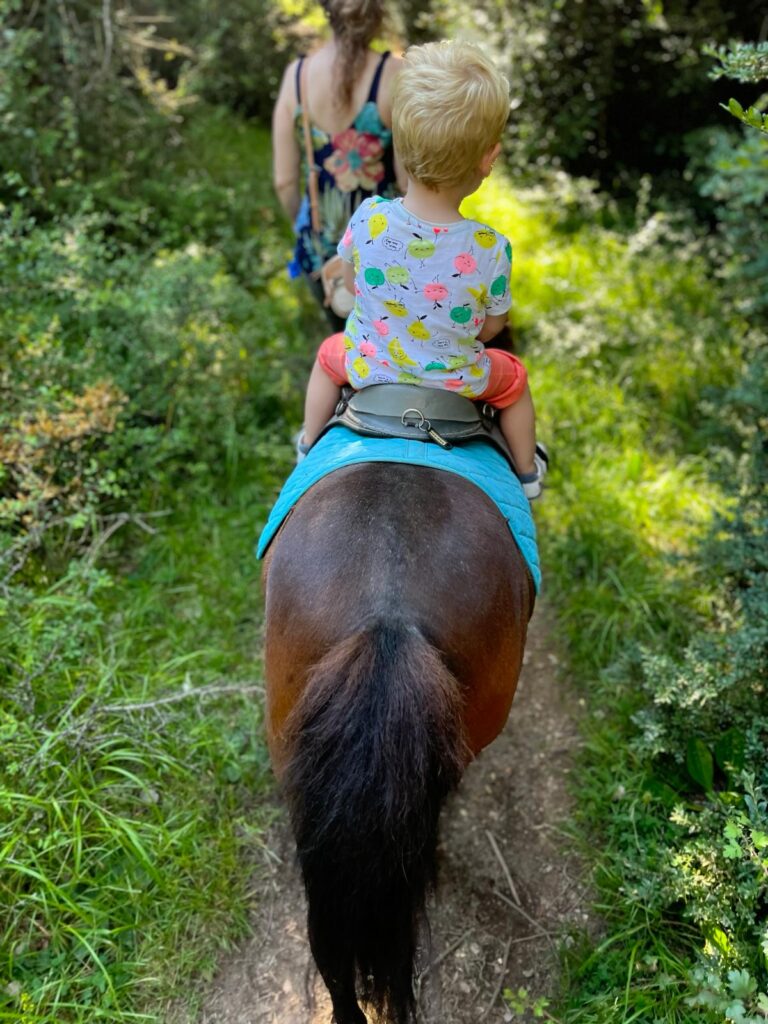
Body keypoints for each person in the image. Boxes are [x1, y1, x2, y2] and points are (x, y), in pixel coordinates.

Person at [299, 39, 545, 497]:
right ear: (488, 159)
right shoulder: (491, 248)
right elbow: (491, 327)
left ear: (401, 141)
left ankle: (309, 443)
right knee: (515, 380)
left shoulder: (369, 217)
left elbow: (353, 286)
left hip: (370, 365)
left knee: (328, 357)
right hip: (457, 377)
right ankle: (528, 474)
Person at [271, 0, 406, 330]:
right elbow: (407, 182)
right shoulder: (394, 74)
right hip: (388, 253)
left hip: (322, 255)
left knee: (347, 353)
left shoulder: (297, 76)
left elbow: (284, 182)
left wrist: (305, 229)